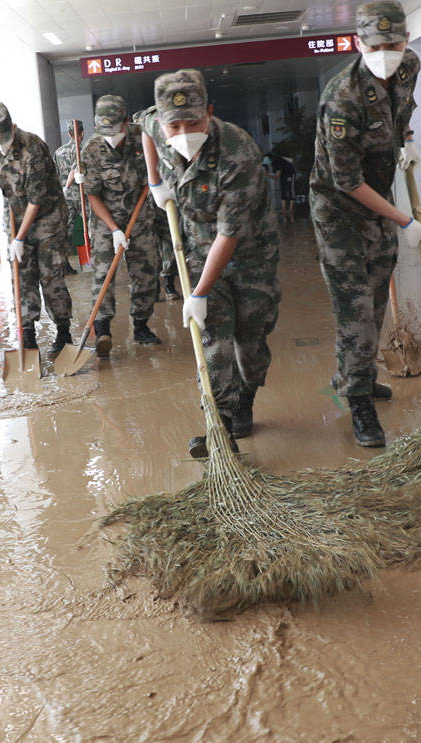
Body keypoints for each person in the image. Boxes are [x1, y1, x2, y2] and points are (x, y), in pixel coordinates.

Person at [309, 0, 421, 448]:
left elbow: (401, 112)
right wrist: (405, 221)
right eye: (375, 44)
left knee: (377, 294)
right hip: (339, 209)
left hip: (380, 199)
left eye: (394, 43)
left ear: (405, 41)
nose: (386, 51)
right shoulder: (340, 99)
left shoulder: (409, 66)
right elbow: (346, 181)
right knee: (355, 308)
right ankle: (358, 401)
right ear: (357, 43)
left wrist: (407, 140)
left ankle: (354, 375)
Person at [142, 70, 280, 457]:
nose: (183, 131)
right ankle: (219, 427)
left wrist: (198, 292)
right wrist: (154, 180)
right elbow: (144, 126)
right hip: (199, 250)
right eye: (174, 125)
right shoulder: (158, 124)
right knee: (213, 340)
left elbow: (230, 234)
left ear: (210, 113)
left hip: (251, 254)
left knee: (249, 345)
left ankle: (246, 398)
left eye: (194, 122)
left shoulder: (239, 152)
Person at [0, 102, 74, 354]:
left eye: (5, 139)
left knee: (50, 276)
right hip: (17, 220)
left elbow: (36, 198)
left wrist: (20, 237)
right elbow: (4, 196)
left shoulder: (33, 147)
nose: (2, 146)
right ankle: (28, 335)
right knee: (21, 276)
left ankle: (64, 332)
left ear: (11, 127)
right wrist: (9, 236)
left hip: (48, 220)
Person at [79, 94, 163, 357]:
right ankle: (102, 329)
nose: (110, 137)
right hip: (106, 222)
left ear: (127, 122)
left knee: (147, 271)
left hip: (140, 218)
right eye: (104, 132)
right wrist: (114, 229)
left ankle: (141, 325)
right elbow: (92, 195)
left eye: (115, 130)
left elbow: (156, 168)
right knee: (103, 274)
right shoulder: (91, 149)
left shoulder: (143, 138)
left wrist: (156, 181)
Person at [132, 106, 180, 301]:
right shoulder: (130, 150)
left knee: (170, 242)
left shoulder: (161, 144)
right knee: (147, 248)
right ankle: (152, 290)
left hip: (163, 201)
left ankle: (169, 283)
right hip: (142, 206)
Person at [53, 120, 84, 275]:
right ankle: (91, 261)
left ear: (69, 133)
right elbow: (75, 170)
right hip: (82, 196)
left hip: (66, 198)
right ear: (82, 133)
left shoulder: (59, 152)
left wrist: (62, 190)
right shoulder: (82, 149)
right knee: (91, 228)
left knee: (67, 231)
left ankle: (64, 264)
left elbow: (55, 173)